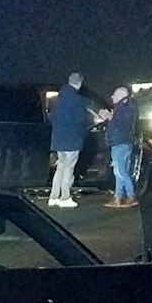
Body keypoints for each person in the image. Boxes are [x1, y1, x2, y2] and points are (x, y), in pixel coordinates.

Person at [47, 72, 94, 208]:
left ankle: (53, 197)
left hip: (58, 139)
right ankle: (65, 197)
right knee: (69, 168)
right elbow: (81, 121)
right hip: (72, 140)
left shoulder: (58, 99)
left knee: (60, 167)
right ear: (79, 83)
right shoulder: (78, 100)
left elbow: (52, 118)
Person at [104, 85, 139, 207]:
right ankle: (118, 197)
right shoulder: (125, 107)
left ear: (120, 96)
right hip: (122, 143)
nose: (112, 96)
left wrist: (109, 117)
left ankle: (131, 196)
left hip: (120, 143)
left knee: (121, 171)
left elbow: (121, 124)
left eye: (114, 94)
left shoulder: (123, 108)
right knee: (119, 172)